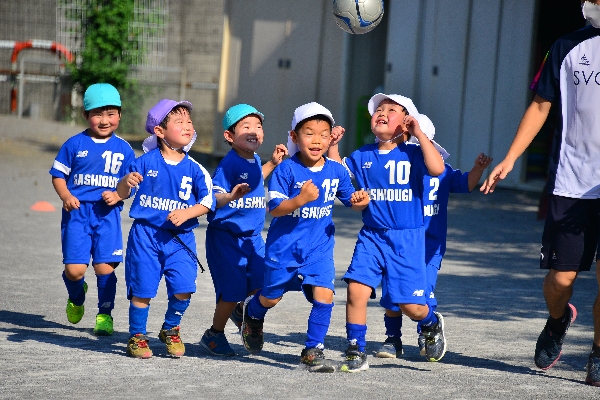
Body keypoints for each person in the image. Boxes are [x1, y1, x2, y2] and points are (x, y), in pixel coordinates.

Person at [480, 0, 600, 386]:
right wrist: (511, 158)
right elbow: (541, 104)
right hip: (573, 181)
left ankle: (598, 353)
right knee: (560, 280)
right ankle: (557, 320)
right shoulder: (566, 47)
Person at [240, 102, 370, 372]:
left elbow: (350, 200)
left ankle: (313, 349)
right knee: (271, 298)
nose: (317, 140)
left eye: (324, 134)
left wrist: (359, 200)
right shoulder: (287, 170)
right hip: (284, 249)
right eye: (309, 133)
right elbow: (274, 208)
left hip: (319, 249)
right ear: (295, 136)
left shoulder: (335, 169)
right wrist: (300, 199)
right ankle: (252, 312)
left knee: (325, 294)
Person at [327, 93, 446, 372]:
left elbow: (438, 168)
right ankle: (356, 348)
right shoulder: (363, 155)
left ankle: (430, 323)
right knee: (356, 289)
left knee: (410, 306)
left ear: (405, 122)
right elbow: (338, 174)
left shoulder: (414, 153)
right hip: (372, 235)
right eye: (379, 109)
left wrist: (418, 134)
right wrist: (333, 146)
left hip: (406, 238)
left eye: (392, 110)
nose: (382, 112)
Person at [372, 114, 493, 358]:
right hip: (398, 244)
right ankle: (392, 339)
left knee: (422, 293)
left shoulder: (442, 172)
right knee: (392, 294)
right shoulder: (398, 173)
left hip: (429, 247)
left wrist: (478, 169)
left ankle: (428, 330)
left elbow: (466, 184)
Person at [117, 99, 215, 358]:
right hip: (145, 236)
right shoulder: (145, 162)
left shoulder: (195, 169)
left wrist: (187, 213)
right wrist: (126, 182)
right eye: (179, 122)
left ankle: (170, 328)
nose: (187, 126)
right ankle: (137, 336)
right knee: (142, 289)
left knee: (184, 286)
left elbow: (208, 201)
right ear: (159, 131)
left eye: (189, 122)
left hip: (180, 239)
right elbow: (121, 193)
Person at [200, 104, 287, 356]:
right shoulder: (229, 164)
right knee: (231, 291)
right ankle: (213, 335)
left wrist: (272, 162)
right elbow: (214, 198)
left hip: (252, 238)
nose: (254, 131)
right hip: (226, 238)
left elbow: (257, 177)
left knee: (265, 284)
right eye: (246, 126)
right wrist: (231, 195)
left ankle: (243, 312)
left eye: (258, 126)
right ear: (229, 136)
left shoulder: (254, 158)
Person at [50, 83, 135, 336]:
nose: (104, 120)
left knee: (104, 268)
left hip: (107, 216)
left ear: (119, 115)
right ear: (86, 115)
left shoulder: (124, 149)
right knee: (74, 271)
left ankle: (104, 315)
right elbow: (57, 175)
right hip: (77, 215)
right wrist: (65, 196)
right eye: (97, 114)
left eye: (111, 114)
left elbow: (130, 184)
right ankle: (77, 296)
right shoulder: (74, 144)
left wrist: (119, 193)